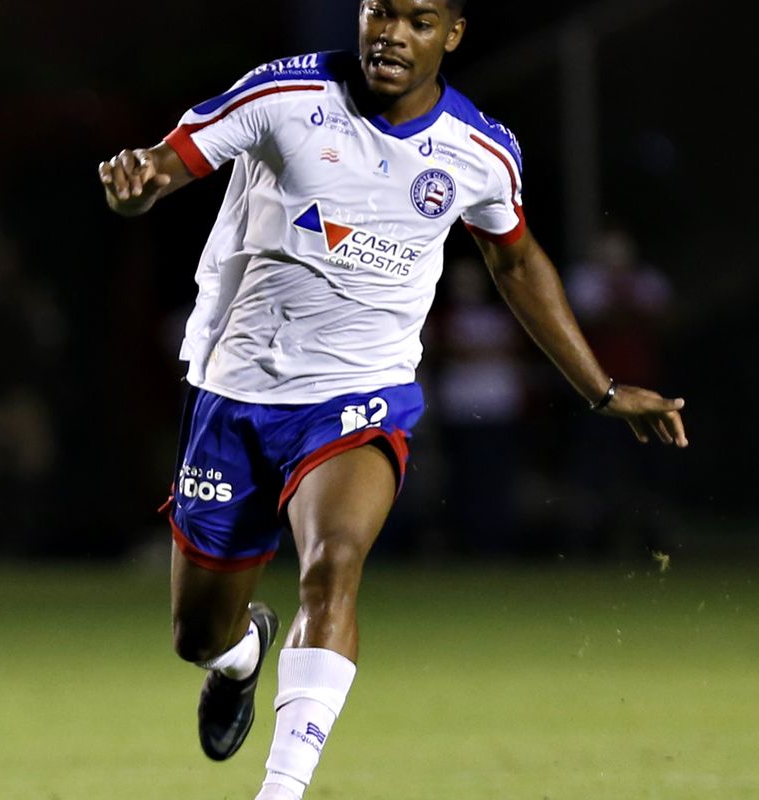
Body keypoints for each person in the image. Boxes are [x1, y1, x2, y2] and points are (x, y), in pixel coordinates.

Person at [96, 1, 686, 798]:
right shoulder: (281, 96)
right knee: (196, 635)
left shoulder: (479, 151)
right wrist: (138, 185)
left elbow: (516, 263)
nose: (390, 35)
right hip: (236, 390)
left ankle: (281, 790)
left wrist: (602, 388)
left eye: (416, 20)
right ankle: (239, 655)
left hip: (360, 395)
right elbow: (168, 162)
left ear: (453, 34)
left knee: (332, 566)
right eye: (379, 12)